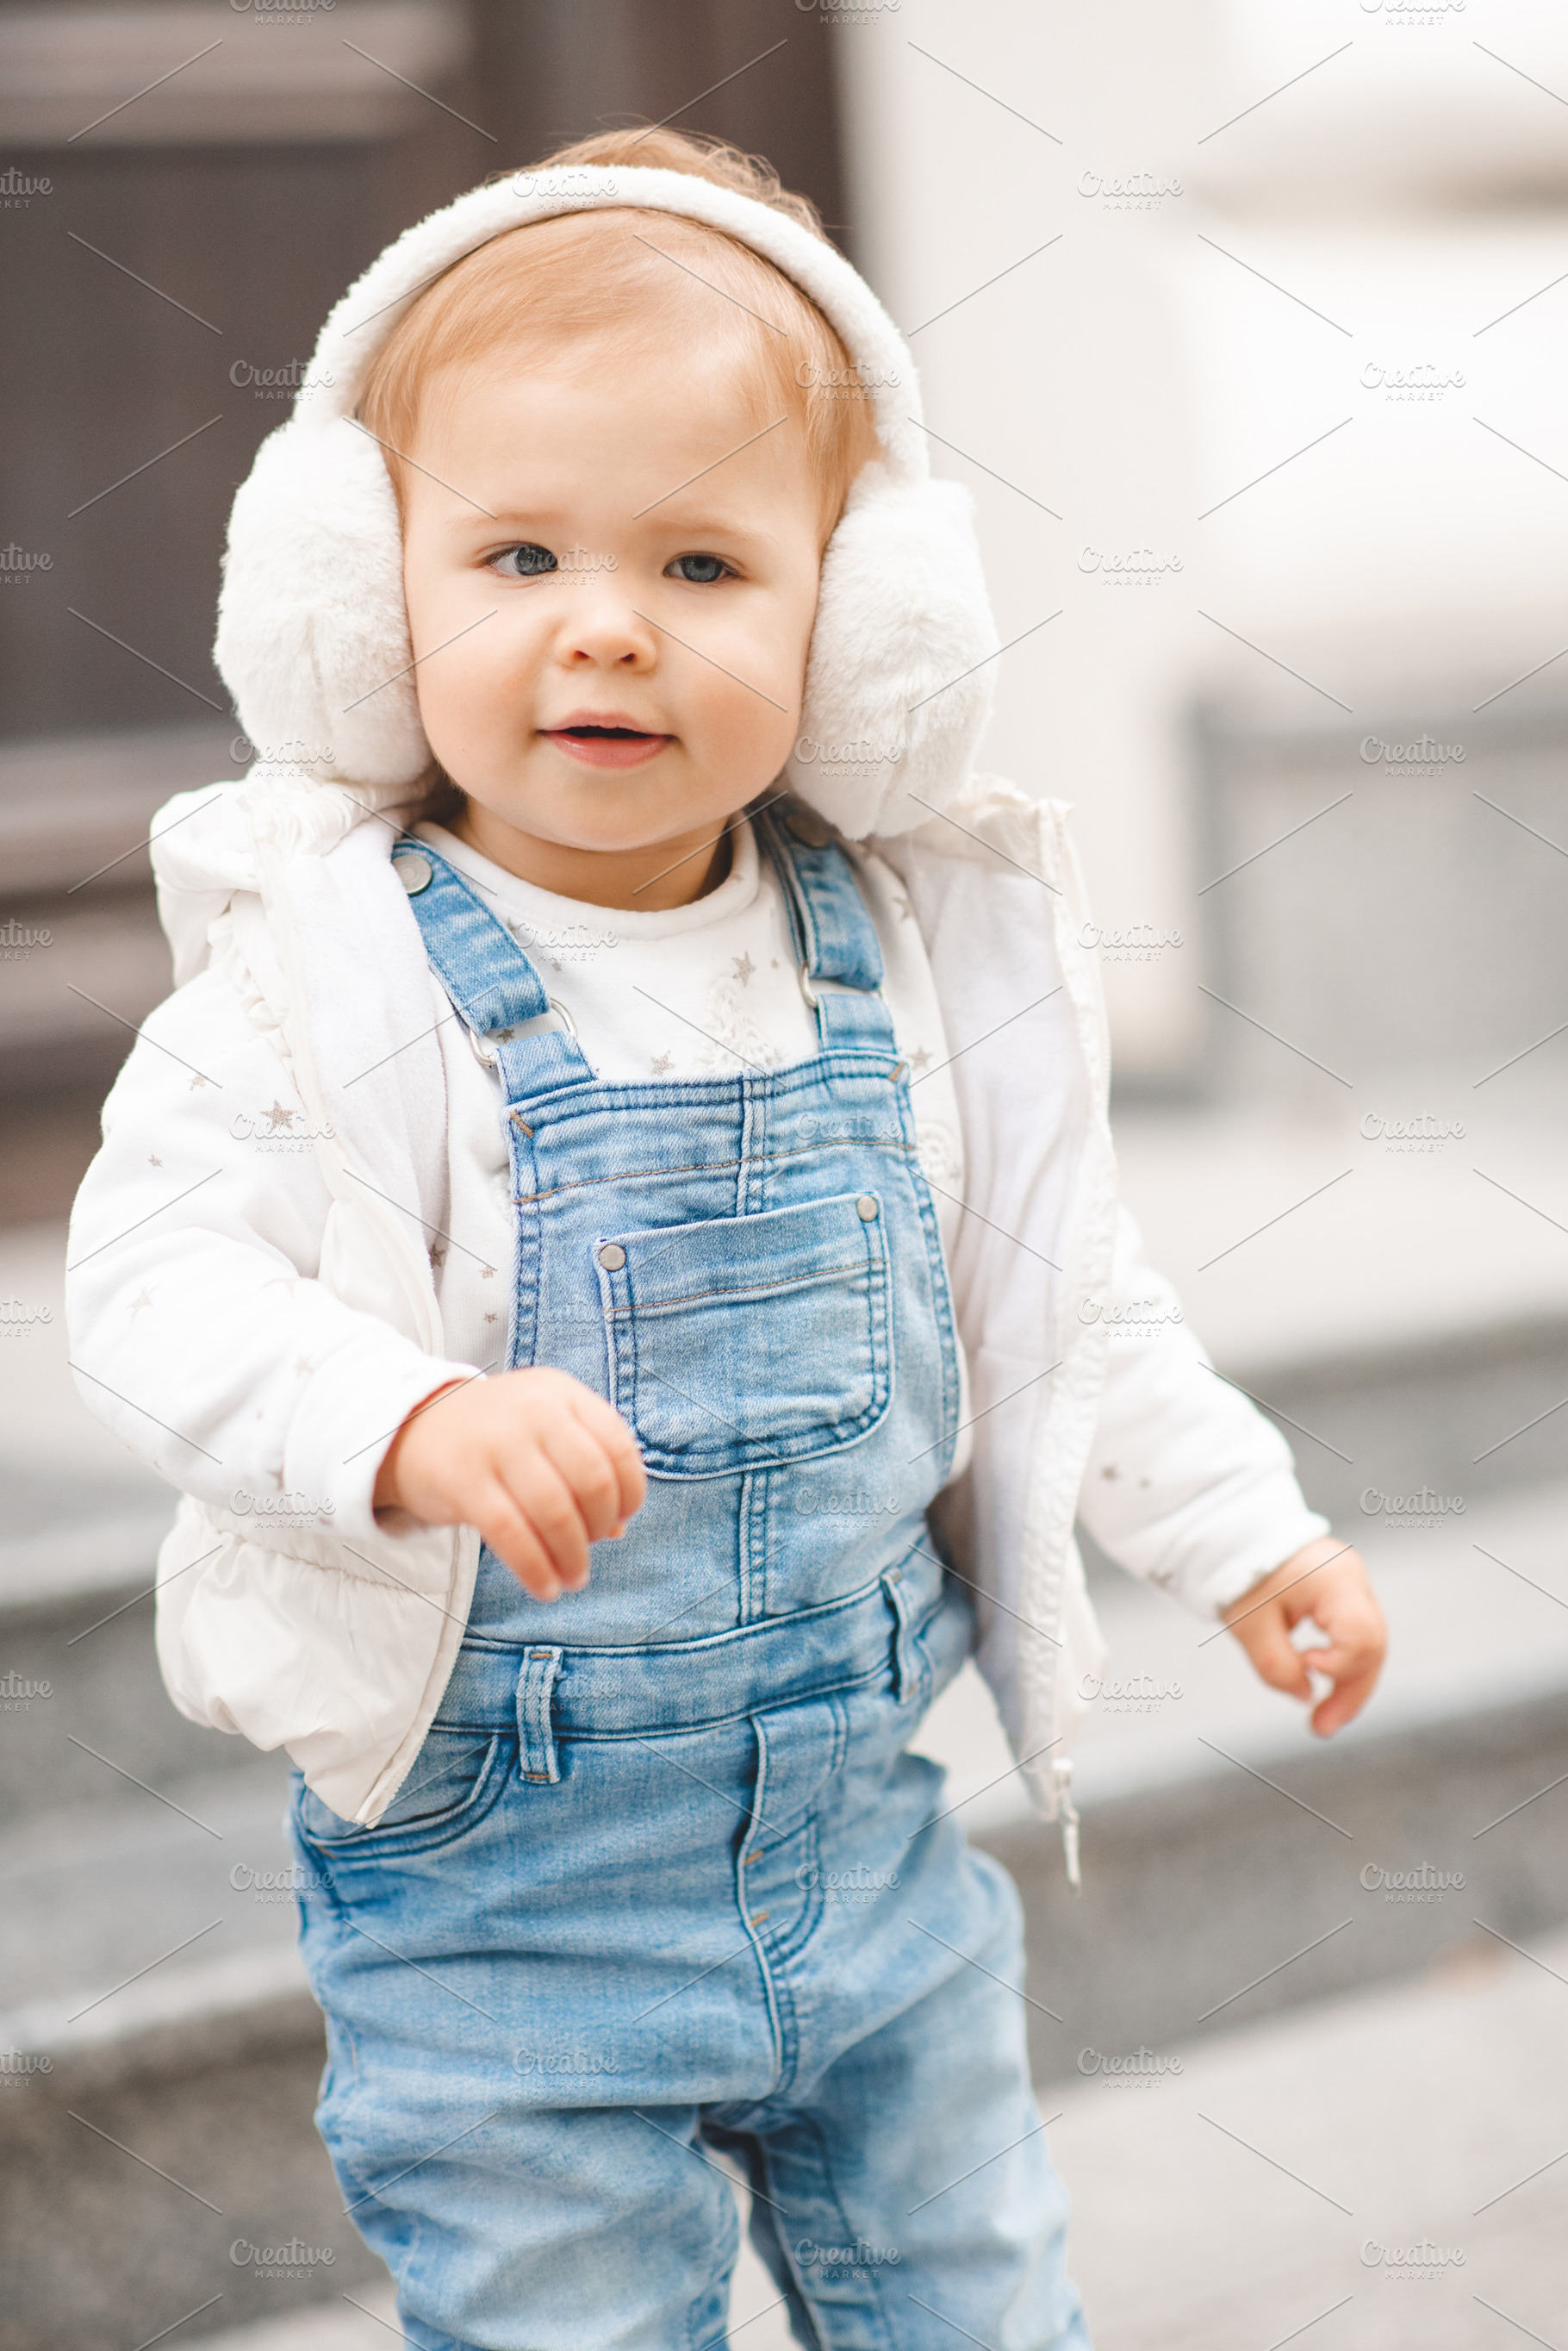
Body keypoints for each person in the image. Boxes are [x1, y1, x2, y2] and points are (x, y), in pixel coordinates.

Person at [66, 129, 1386, 2351]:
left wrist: (1246, 1536)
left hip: (872, 1860)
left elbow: (1064, 1312)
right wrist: (400, 1417)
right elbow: (151, 1289)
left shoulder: (899, 952)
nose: (605, 623)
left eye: (700, 563)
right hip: (502, 1896)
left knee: (980, 2302)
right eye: (514, 553)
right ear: (357, 595)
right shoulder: (327, 982)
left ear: (861, 632)